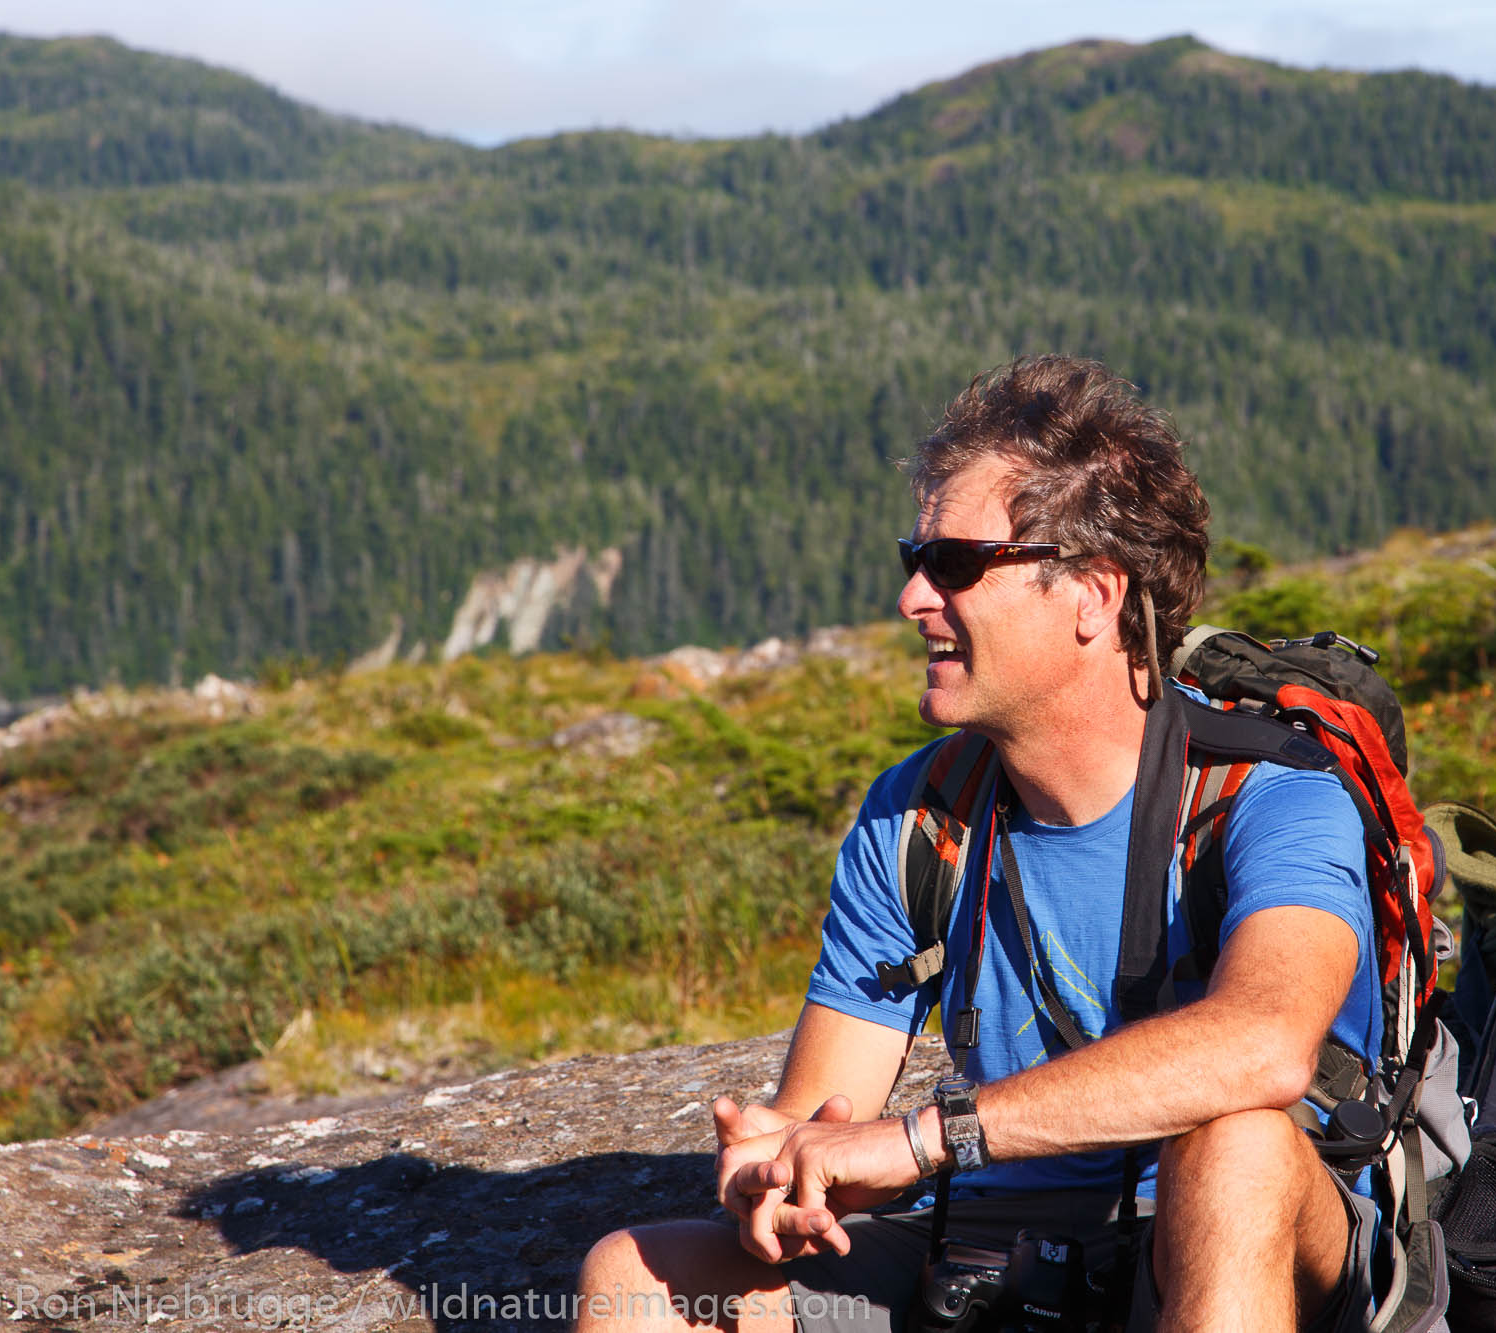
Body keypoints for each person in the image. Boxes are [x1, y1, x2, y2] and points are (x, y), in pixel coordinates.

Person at [576, 355, 1380, 1333]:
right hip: (1006, 1247)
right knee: (634, 1276)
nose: (914, 599)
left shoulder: (1269, 797)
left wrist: (923, 1140)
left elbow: (1264, 1045)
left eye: (952, 564)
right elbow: (825, 1129)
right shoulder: (914, 819)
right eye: (911, 559)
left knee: (1233, 1150)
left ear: (1091, 593)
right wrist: (779, 1180)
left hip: (1249, 1241)